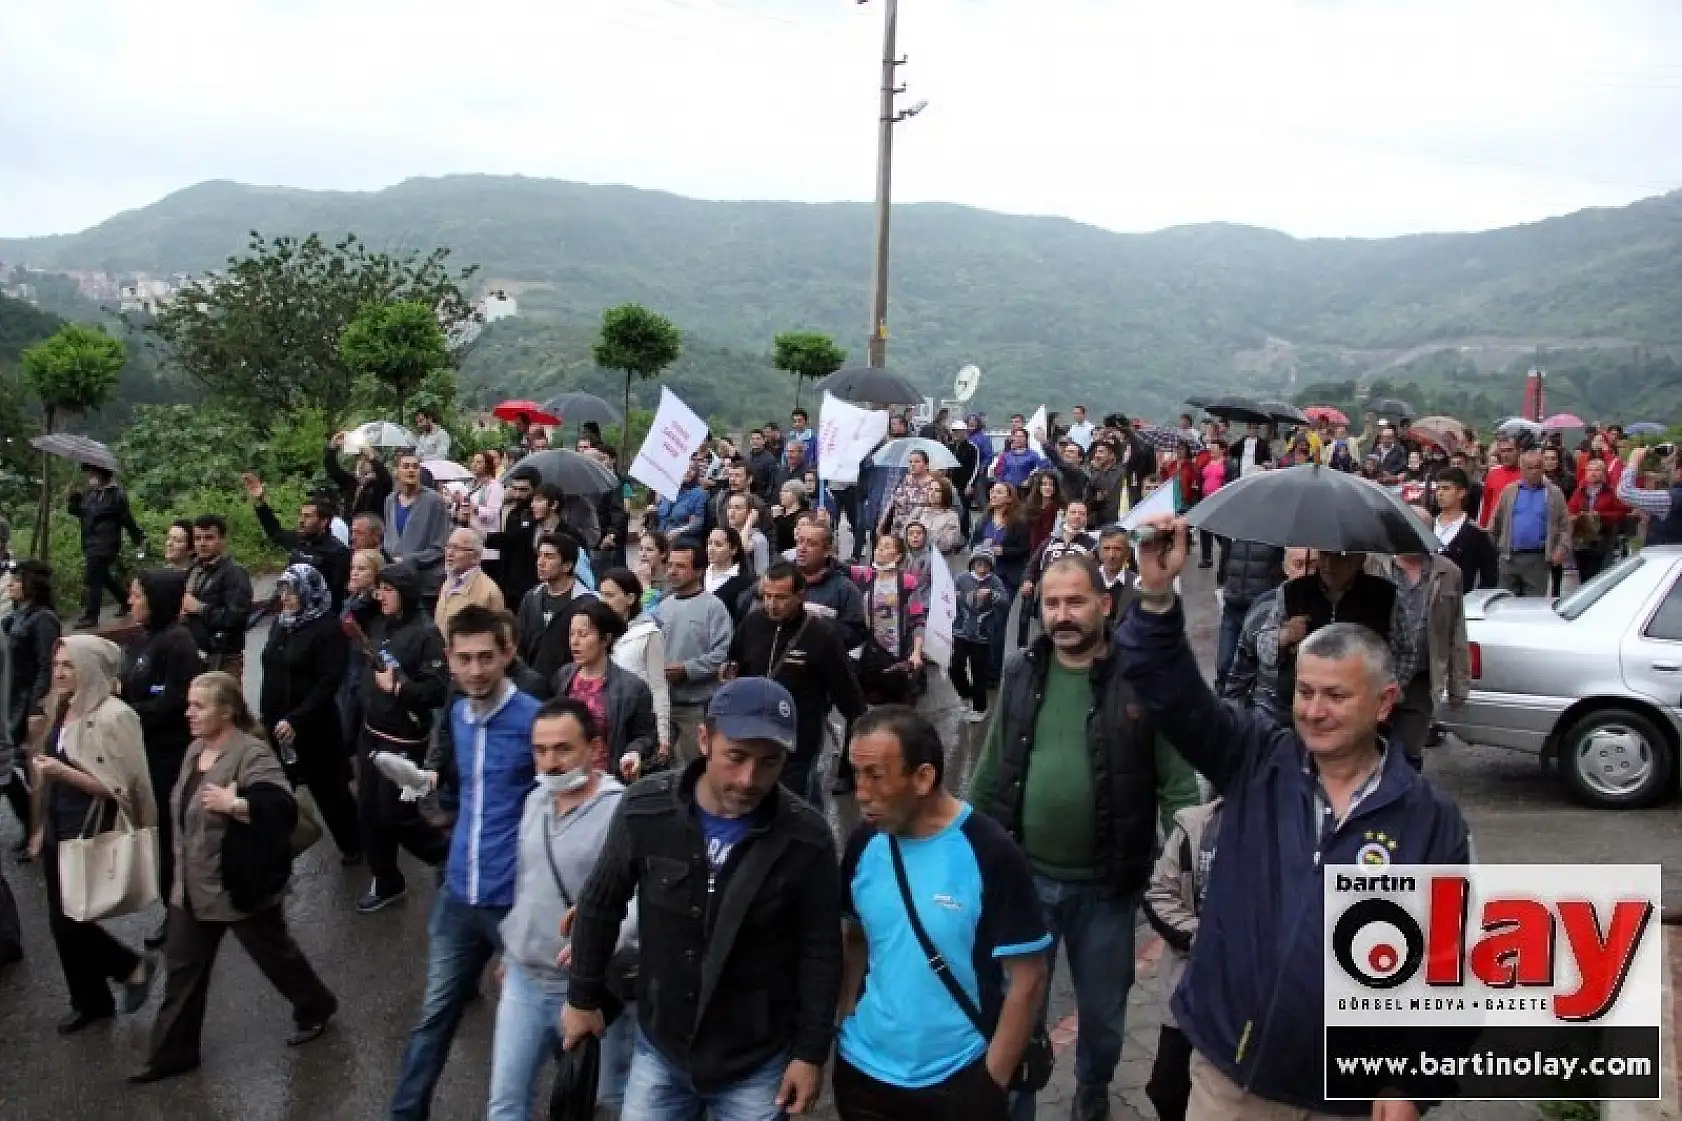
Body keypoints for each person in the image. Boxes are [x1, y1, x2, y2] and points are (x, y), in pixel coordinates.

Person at [1117, 518, 1470, 1119]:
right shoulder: (1256, 760)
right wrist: (1155, 597)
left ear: (1385, 703)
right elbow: (1173, 695)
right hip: (1231, 1083)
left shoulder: (1428, 820)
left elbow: (1449, 965)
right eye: (1305, 692)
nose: (1314, 710)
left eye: (1335, 695)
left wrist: (1412, 1081)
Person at [969, 554, 1200, 1121]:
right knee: (1018, 1016)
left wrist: (1193, 876)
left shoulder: (1141, 680)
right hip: (1025, 883)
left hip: (1108, 891)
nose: (1062, 614)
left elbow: (1178, 789)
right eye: (1051, 603)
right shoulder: (1024, 671)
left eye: (1075, 601)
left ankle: (1091, 1100)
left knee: (1102, 1021)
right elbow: (992, 768)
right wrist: (963, 847)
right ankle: (1016, 1107)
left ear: (1104, 604)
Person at [560, 677, 842, 1121]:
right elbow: (600, 904)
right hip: (661, 1050)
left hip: (756, 1062)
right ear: (705, 739)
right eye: (737, 757)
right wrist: (582, 998)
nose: (750, 779)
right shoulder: (645, 809)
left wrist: (810, 1054)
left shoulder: (807, 838)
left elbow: (822, 952)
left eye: (770, 763)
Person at [835, 707, 1051, 1121]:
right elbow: (857, 937)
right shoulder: (864, 843)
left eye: (875, 775)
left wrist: (992, 1081)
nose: (860, 792)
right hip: (863, 1072)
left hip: (957, 1079)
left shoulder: (989, 852)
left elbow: (1030, 976)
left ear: (923, 778)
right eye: (855, 773)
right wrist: (845, 1017)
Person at [385, 606, 542, 1119]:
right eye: (464, 659)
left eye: (485, 658)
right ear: (449, 659)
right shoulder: (457, 713)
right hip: (458, 894)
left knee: (551, 1024)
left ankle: (592, 1097)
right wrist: (431, 792)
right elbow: (463, 789)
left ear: (507, 654)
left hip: (512, 900)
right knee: (434, 1018)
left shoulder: (536, 721)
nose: (475, 670)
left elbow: (555, 813)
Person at [486, 697, 638, 1121]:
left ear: (594, 748)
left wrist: (601, 942)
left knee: (608, 1099)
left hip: (589, 990)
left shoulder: (621, 812)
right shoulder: (535, 800)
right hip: (524, 981)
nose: (550, 762)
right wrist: (511, 949)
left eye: (563, 749)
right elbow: (527, 881)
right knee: (505, 1104)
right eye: (541, 750)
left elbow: (641, 899)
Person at [29, 635, 159, 1035]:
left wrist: (62, 772)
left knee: (69, 919)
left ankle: (131, 968)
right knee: (62, 919)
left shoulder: (114, 716)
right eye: (56, 665)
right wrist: (37, 827)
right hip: (58, 823)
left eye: (69, 665)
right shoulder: (62, 707)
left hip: (88, 826)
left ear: (90, 668)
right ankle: (90, 1000)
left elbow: (121, 786)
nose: (60, 673)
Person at [352, 561, 451, 914]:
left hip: (403, 739)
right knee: (369, 814)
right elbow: (349, 616)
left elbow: (437, 690)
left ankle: (446, 857)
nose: (380, 595)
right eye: (378, 588)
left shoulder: (426, 634)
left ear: (406, 593)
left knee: (396, 815)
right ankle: (387, 879)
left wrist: (400, 688)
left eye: (388, 589)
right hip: (371, 733)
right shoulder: (379, 623)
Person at [726, 562, 866, 804]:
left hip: (799, 740)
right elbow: (735, 663)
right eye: (767, 596)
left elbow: (849, 695)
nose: (771, 604)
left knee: (791, 802)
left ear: (800, 595)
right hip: (755, 736)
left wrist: (856, 750)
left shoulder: (821, 635)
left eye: (780, 597)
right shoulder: (752, 624)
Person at [119, 569, 202, 949]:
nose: (130, 602)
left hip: (172, 754)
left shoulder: (178, 644)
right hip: (147, 751)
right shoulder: (144, 640)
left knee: (175, 834)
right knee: (163, 833)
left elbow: (171, 703)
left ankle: (184, 913)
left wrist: (129, 712)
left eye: (137, 596)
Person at [259, 564, 360, 863]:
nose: (286, 598)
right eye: (283, 591)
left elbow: (328, 682)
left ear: (309, 592)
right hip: (278, 724)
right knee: (278, 787)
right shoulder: (282, 624)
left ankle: (354, 844)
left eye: (292, 591)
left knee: (329, 790)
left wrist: (297, 718)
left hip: (314, 725)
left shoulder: (326, 629)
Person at [1141, 797, 1224, 1121]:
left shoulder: (1298, 832)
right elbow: (1159, 893)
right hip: (1193, 985)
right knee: (1167, 1089)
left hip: (1259, 999)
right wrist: (1204, 940)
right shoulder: (1197, 825)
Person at [1387, 508, 1470, 769]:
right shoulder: (1376, 565)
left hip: (1422, 678)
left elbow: (1456, 631)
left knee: (1411, 749)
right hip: (1380, 674)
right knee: (1375, 746)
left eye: (1420, 528)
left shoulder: (1449, 572)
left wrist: (1459, 685)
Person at [554, 599, 658, 781]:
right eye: (572, 634)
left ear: (606, 639)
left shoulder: (632, 687)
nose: (575, 642)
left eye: (583, 635)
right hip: (566, 777)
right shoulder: (564, 677)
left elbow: (646, 736)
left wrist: (634, 752)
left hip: (607, 781)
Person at [651, 539, 733, 767]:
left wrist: (688, 670)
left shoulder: (713, 607)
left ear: (698, 571)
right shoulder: (663, 607)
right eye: (670, 565)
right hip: (664, 706)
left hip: (696, 707)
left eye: (680, 566)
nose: (672, 571)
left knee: (692, 768)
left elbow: (722, 654)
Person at [1222, 549, 1315, 723]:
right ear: (1285, 567)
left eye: (1313, 566)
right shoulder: (1264, 607)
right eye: (1299, 565)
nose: (1305, 573)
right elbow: (1240, 673)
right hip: (1268, 720)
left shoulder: (1331, 610)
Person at [597, 568, 673, 768]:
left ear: (630, 598)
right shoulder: (598, 633)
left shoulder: (648, 633)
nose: (604, 602)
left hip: (635, 722)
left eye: (610, 595)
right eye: (601, 595)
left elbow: (658, 686)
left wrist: (663, 734)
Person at [245, 474, 351, 605]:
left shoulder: (337, 551)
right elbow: (275, 533)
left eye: (307, 516)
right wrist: (260, 503)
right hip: (290, 606)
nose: (301, 520)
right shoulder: (298, 540)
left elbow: (338, 593)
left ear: (323, 522)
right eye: (301, 515)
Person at [851, 534, 927, 706]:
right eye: (878, 545)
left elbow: (918, 620)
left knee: (902, 709)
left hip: (900, 656)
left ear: (898, 556)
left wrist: (916, 652)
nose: (880, 549)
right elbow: (835, 566)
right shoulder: (865, 575)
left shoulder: (907, 582)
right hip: (872, 656)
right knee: (875, 705)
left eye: (887, 546)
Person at [68, 464, 146, 629]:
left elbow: (127, 520)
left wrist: (138, 538)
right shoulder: (91, 494)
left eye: (92, 472)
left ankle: (91, 615)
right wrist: (73, 499)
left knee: (93, 578)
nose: (89, 476)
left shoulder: (116, 495)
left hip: (106, 543)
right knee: (103, 577)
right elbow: (80, 512)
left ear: (102, 473)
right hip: (90, 541)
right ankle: (125, 601)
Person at [515, 532, 598, 682]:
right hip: (533, 687)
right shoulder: (531, 598)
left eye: (549, 556)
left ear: (567, 566)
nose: (540, 562)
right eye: (539, 555)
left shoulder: (587, 604)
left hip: (569, 687)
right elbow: (520, 644)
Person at [1488, 449, 1569, 598]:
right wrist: (1493, 550)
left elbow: (1565, 526)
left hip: (1537, 560)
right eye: (1529, 468)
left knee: (1533, 607)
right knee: (1505, 604)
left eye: (1538, 467)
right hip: (1509, 558)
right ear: (1522, 470)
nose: (1534, 472)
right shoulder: (1509, 491)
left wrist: (1561, 549)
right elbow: (1495, 522)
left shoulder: (1554, 493)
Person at [182, 515, 254, 680]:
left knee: (224, 704)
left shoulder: (234, 573)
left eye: (209, 538)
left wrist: (200, 608)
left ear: (222, 540)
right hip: (196, 654)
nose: (202, 543)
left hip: (223, 657)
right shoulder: (193, 571)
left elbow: (236, 617)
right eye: (198, 538)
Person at [1018, 497, 1096, 648]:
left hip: (1075, 601)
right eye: (1073, 512)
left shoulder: (1092, 545)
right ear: (1065, 515)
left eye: (1082, 513)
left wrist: (1091, 563)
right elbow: (1032, 566)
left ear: (1086, 518)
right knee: (1047, 636)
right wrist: (1027, 581)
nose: (1077, 516)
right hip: (1047, 598)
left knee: (1069, 639)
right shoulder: (1050, 541)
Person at [972, 483, 1031, 679]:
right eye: (992, 491)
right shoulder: (983, 520)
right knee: (982, 621)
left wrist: (1003, 551)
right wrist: (981, 550)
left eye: (998, 492)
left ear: (1009, 498)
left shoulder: (1018, 521)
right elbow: (974, 543)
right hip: (984, 575)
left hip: (1006, 576)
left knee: (998, 621)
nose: (993, 495)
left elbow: (1024, 549)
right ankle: (982, 663)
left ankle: (994, 670)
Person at [384, 451, 453, 608]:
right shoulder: (390, 501)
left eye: (415, 467)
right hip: (396, 582)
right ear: (397, 471)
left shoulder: (434, 501)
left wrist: (408, 560)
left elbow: (440, 547)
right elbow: (389, 540)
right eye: (406, 466)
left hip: (425, 584)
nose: (411, 470)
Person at [1213, 539, 1284, 691]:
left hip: (1259, 607)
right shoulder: (1237, 524)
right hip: (1233, 603)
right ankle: (1221, 702)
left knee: (1253, 663)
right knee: (1224, 664)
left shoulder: (1275, 530)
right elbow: (1225, 549)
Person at [789, 516, 869, 649]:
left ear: (827, 551)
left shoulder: (844, 589)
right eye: (800, 541)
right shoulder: (780, 579)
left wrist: (820, 624)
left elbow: (856, 636)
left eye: (811, 544)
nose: (802, 548)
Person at [952, 547, 1008, 723]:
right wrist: (953, 597)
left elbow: (1005, 602)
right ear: (972, 563)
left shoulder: (995, 582)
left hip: (982, 636)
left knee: (979, 673)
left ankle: (979, 708)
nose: (982, 567)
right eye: (978, 563)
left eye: (986, 564)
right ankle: (965, 693)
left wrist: (992, 595)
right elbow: (948, 595)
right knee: (954, 666)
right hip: (960, 632)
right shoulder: (961, 578)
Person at [1431, 467, 1499, 592]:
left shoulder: (1475, 532)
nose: (1440, 493)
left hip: (1461, 600)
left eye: (1446, 488)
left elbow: (1489, 575)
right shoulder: (1428, 525)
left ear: (1461, 492)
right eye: (1438, 488)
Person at [1568, 456, 1630, 585]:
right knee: (1584, 577)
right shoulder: (1579, 492)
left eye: (1597, 470)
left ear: (1603, 473)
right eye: (1590, 470)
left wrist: (1600, 516)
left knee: (1599, 577)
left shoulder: (1611, 492)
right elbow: (1570, 510)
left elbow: (1622, 512)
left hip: (1603, 539)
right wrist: (1579, 517)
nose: (1593, 473)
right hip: (1582, 542)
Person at [434, 527, 504, 634]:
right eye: (448, 547)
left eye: (456, 548)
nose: (449, 553)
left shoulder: (489, 592)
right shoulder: (447, 583)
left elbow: (496, 635)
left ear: (475, 556)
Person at [486, 468, 541, 606]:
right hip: (509, 581)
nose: (517, 494)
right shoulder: (514, 512)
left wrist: (484, 537)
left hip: (530, 581)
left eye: (523, 490)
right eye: (515, 489)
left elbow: (513, 539)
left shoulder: (538, 516)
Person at [1616, 444, 1682, 545]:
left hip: (1665, 556)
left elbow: (1624, 492)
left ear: (1679, 472)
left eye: (1671, 468)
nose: (1668, 471)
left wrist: (1634, 460)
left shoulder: (1672, 498)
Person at [455, 451, 505, 579]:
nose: (475, 465)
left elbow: (492, 514)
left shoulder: (494, 486)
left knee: (485, 576)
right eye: (473, 461)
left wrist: (474, 507)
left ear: (487, 465)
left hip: (487, 539)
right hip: (471, 537)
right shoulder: (470, 486)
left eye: (479, 462)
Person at [324, 432, 393, 518]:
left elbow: (386, 479)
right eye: (359, 459)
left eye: (366, 459)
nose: (361, 462)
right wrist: (333, 446)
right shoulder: (352, 482)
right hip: (351, 527)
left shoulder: (379, 484)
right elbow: (332, 469)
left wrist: (371, 457)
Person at [881, 449, 942, 540]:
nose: (912, 464)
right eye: (910, 462)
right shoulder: (903, 481)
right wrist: (882, 524)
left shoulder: (933, 486)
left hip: (918, 534)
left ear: (926, 465)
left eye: (917, 462)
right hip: (897, 532)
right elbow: (891, 504)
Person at [705, 525, 757, 625]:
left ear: (733, 550)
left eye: (718, 545)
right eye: (709, 543)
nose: (711, 549)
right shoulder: (699, 575)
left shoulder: (744, 583)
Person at [1477, 435, 1522, 527]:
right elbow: (1486, 505)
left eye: (1510, 450)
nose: (1505, 455)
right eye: (1502, 451)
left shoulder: (1527, 474)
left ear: (1519, 451)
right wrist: (1482, 529)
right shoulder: (1492, 474)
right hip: (1494, 528)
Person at [654, 462, 708, 537]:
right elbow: (660, 514)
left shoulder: (699, 494)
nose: (688, 470)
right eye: (684, 467)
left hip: (680, 540)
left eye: (692, 469)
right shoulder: (667, 489)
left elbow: (697, 523)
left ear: (696, 473)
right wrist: (652, 511)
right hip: (659, 538)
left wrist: (679, 531)